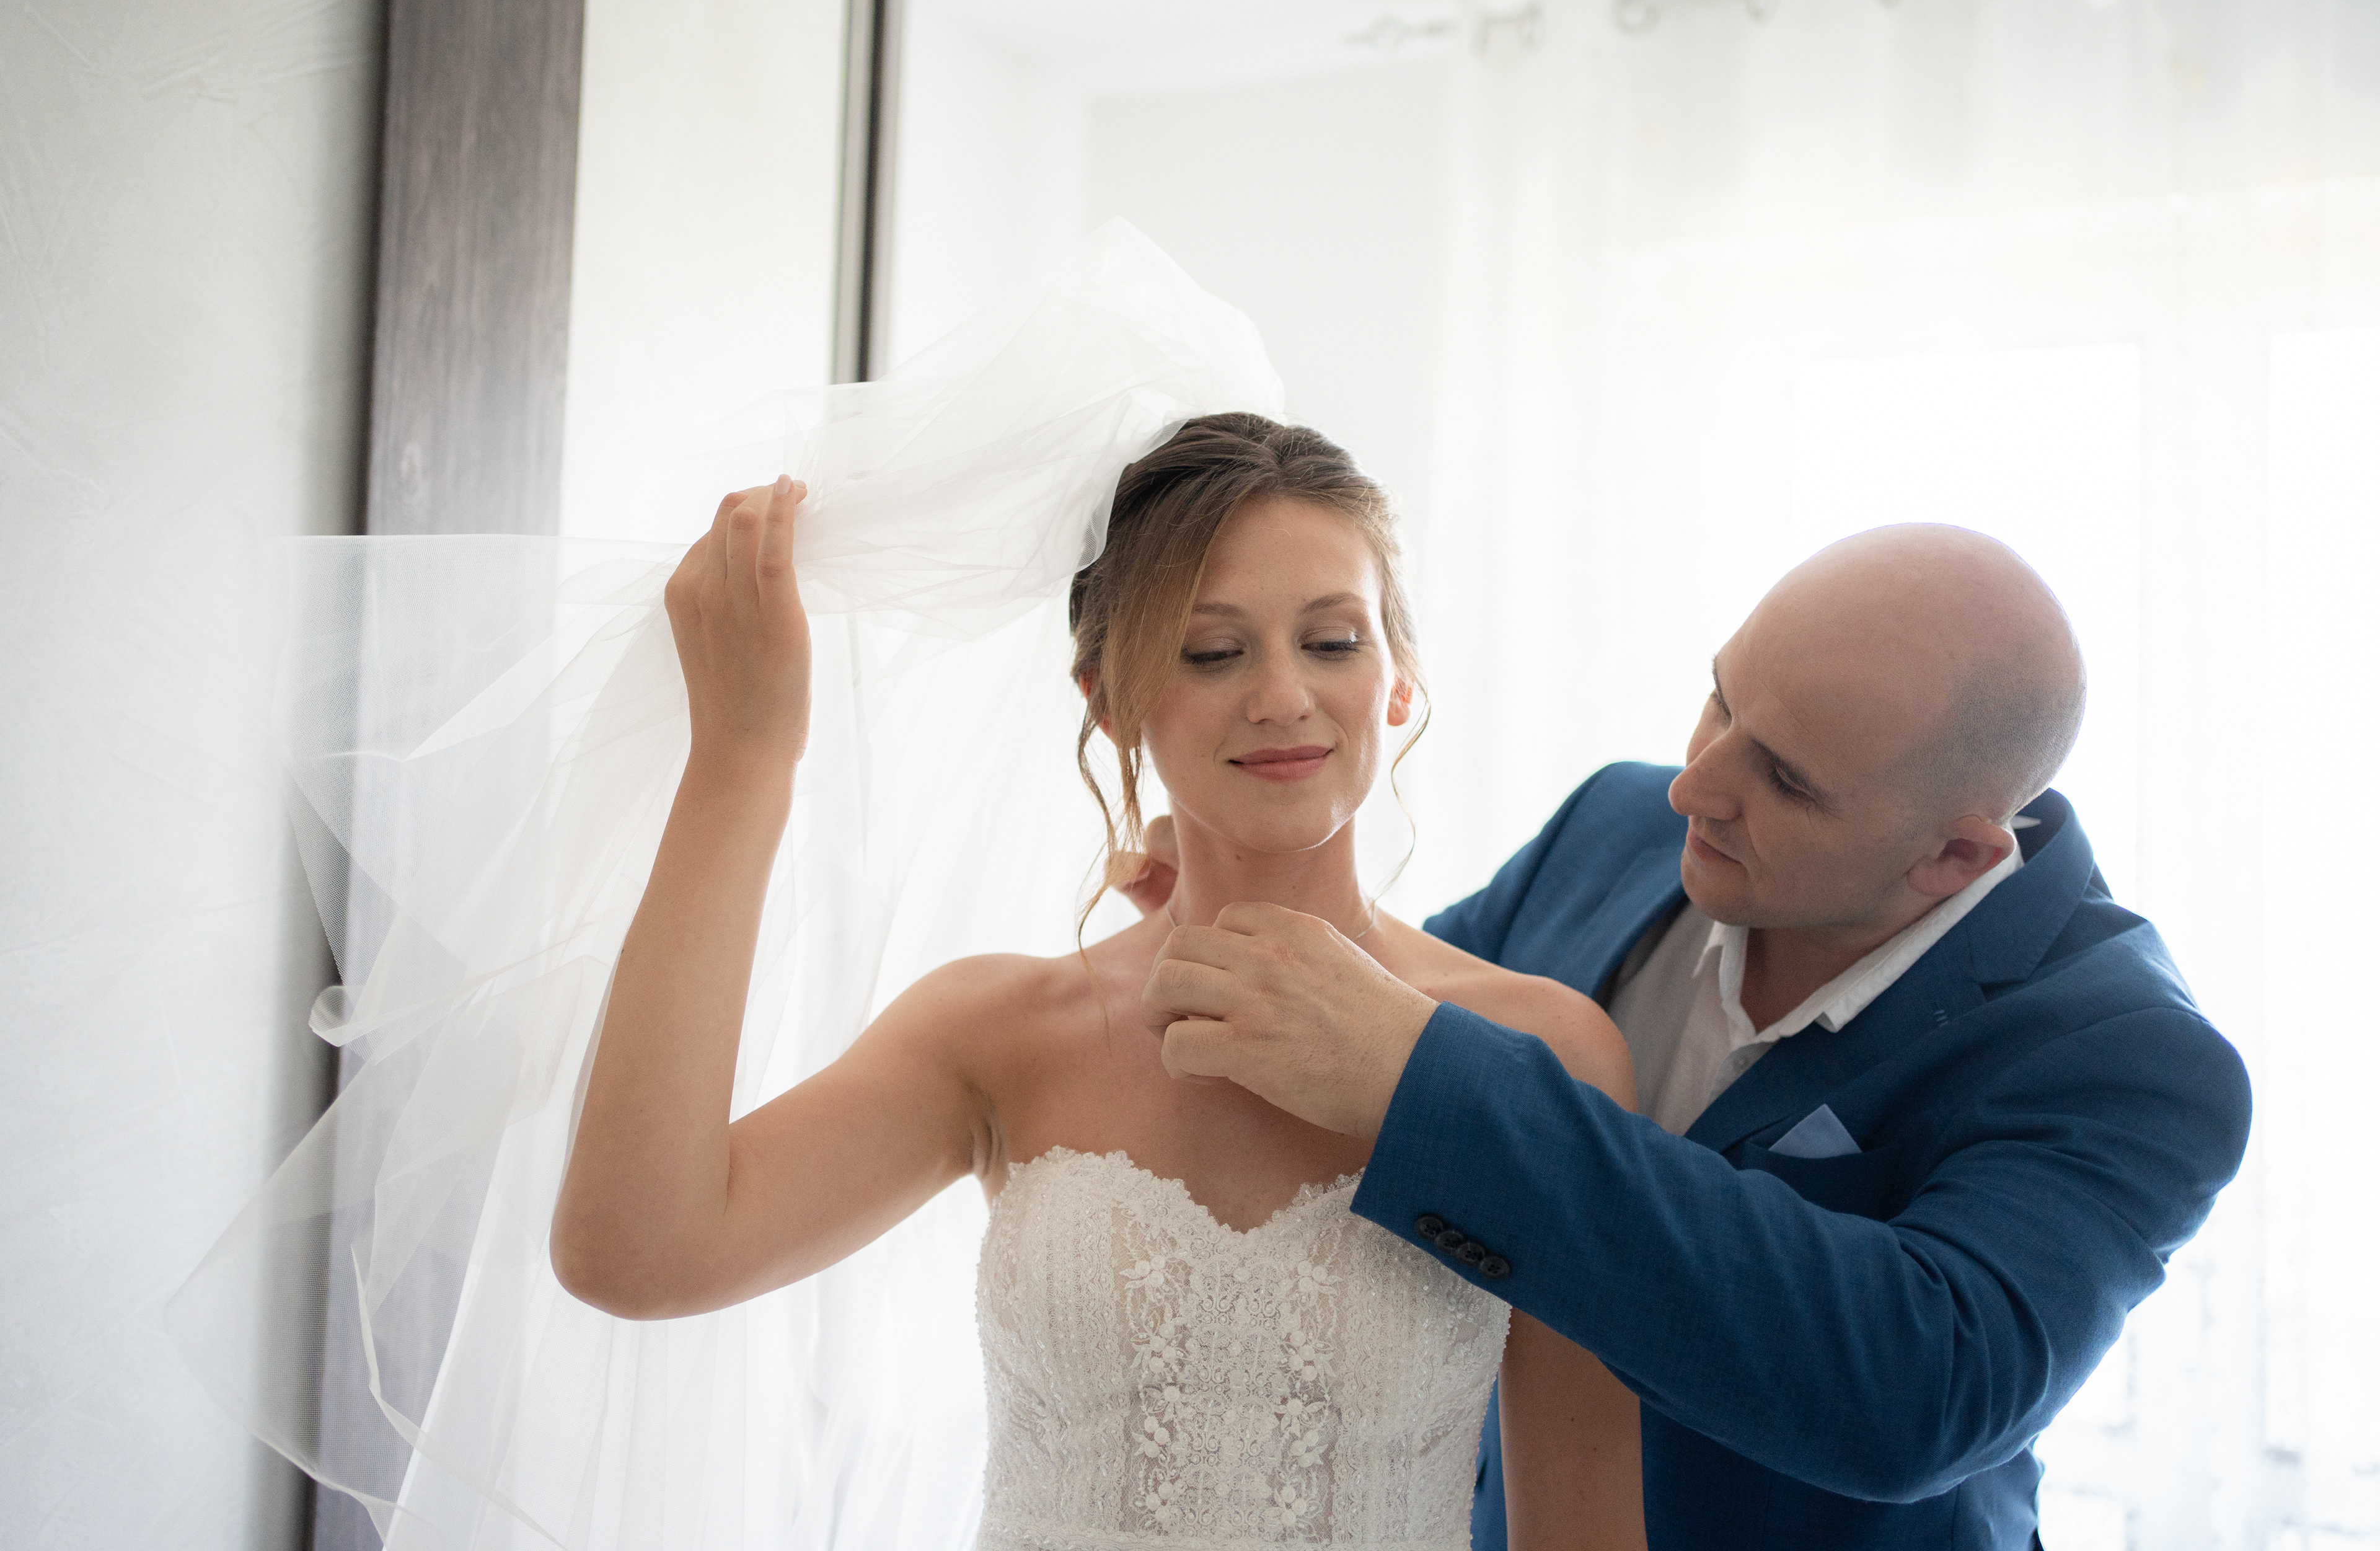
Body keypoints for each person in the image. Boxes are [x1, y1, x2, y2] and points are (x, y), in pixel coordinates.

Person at [551, 414, 1651, 1549]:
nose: (1283, 695)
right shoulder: (998, 1032)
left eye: (1332, 642)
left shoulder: (1543, 1054)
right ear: (1108, 700)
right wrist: (743, 759)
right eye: (1212, 652)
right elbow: (635, 1251)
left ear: (1400, 682)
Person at [1133, 524, 2254, 1550]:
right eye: (1721, 703)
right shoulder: (1609, 826)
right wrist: (1249, 905)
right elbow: (1363, 1026)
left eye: (1786, 781)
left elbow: (1918, 1389)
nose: (1692, 787)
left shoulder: (2135, 1059)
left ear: (1954, 858)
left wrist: (1430, 1086)